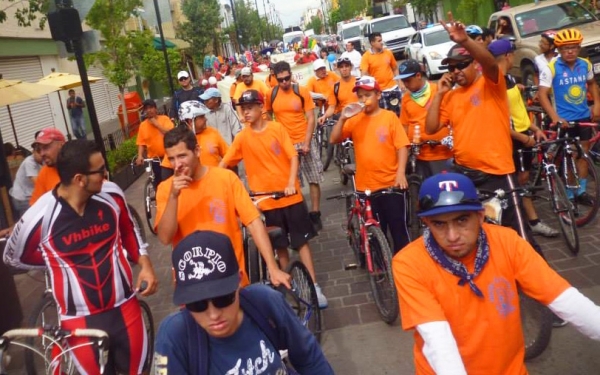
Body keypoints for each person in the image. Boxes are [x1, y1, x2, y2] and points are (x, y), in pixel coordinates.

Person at [392, 172, 600, 375]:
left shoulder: (508, 242)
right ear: (427, 223)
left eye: (462, 220)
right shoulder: (409, 263)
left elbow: (565, 299)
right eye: (439, 224)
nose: (453, 235)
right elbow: (437, 338)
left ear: (481, 215)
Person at [4, 139, 158, 375]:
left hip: (126, 308)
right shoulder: (39, 217)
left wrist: (145, 263)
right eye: (100, 171)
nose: (106, 175)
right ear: (79, 179)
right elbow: (13, 258)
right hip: (79, 322)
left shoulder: (111, 194)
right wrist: (56, 260)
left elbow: (127, 229)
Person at [425, 14, 541, 254]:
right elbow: (431, 127)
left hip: (496, 172)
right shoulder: (451, 96)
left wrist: (466, 40)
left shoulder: (490, 84)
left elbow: (489, 63)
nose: (456, 71)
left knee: (518, 237)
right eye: (452, 67)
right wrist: (438, 94)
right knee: (484, 236)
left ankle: (540, 285)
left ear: (474, 64)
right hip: (467, 175)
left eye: (461, 65)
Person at [154, 230, 333, 374]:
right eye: (197, 305)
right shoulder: (173, 336)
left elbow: (309, 358)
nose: (214, 314)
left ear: (239, 281)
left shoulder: (265, 301)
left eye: (223, 299)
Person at [220, 89, 328, 307]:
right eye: (243, 109)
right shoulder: (242, 138)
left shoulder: (277, 129)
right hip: (265, 202)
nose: (246, 112)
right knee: (279, 247)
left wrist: (290, 183)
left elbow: (293, 156)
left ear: (261, 108)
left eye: (250, 107)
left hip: (290, 197)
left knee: (301, 242)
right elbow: (224, 164)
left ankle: (314, 286)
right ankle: (289, 287)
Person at [155, 126, 290, 288]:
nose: (177, 165)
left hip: (231, 279)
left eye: (182, 156)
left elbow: (254, 222)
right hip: (192, 283)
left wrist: (273, 268)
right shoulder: (165, 189)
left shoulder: (226, 179)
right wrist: (173, 197)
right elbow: (165, 238)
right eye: (171, 159)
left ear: (197, 151)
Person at [330, 75, 411, 253]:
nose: (363, 100)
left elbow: (402, 146)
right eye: (360, 96)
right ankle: (381, 267)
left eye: (368, 95)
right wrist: (342, 118)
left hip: (391, 184)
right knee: (375, 234)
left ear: (378, 95)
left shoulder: (389, 117)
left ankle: (403, 269)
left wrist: (401, 173)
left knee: (399, 232)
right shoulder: (354, 120)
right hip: (366, 186)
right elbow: (334, 138)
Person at [489, 39, 558, 238]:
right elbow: (497, 119)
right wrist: (520, 136)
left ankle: (527, 218)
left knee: (523, 178)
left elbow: (519, 110)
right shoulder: (495, 84)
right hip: (511, 138)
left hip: (523, 134)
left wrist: (534, 128)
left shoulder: (510, 79)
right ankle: (528, 220)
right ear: (508, 56)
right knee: (518, 180)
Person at [538, 28, 600, 203]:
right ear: (558, 49)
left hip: (583, 116)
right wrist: (555, 117)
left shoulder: (585, 64)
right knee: (570, 155)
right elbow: (542, 95)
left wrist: (597, 104)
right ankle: (569, 192)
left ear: (579, 48)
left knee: (584, 154)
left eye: (573, 47)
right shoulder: (551, 68)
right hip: (563, 120)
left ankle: (581, 190)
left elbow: (592, 84)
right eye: (565, 48)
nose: (570, 51)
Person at [266, 61, 324, 231]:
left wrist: (307, 142)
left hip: (304, 139)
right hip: (286, 145)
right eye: (281, 79)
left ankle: (315, 213)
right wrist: (276, 132)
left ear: (291, 75)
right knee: (294, 181)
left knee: (313, 178)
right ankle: (302, 215)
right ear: (275, 78)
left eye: (287, 78)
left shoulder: (301, 91)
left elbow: (311, 117)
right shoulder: (272, 94)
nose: (284, 82)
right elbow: (267, 113)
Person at [397, 59, 452, 178]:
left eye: (408, 80)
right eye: (403, 81)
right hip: (420, 156)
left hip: (443, 154)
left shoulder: (439, 90)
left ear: (418, 75)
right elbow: (404, 126)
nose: (405, 84)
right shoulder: (406, 99)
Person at [360, 32, 404, 111]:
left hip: (394, 88)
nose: (381, 43)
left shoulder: (388, 53)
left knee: (401, 112)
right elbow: (363, 73)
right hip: (380, 92)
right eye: (379, 41)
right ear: (372, 43)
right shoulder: (366, 56)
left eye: (381, 40)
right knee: (385, 115)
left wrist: (400, 82)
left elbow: (395, 68)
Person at [136, 99, 174, 189]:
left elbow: (170, 133)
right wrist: (140, 155)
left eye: (151, 108)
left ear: (155, 109)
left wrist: (156, 124)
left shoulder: (164, 119)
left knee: (171, 180)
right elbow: (141, 143)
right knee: (158, 182)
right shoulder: (143, 125)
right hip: (155, 159)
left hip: (168, 156)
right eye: (146, 109)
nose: (149, 110)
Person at [29, 127, 66, 205]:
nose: (42, 154)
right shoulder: (44, 172)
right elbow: (35, 206)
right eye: (39, 150)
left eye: (46, 147)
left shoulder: (78, 164)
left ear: (61, 145)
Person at [9, 143, 42, 219]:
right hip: (22, 199)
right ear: (33, 152)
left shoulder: (42, 161)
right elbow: (37, 183)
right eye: (38, 152)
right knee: (29, 220)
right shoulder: (29, 162)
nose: (42, 154)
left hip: (29, 195)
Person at [321, 56, 358, 122]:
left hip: (360, 117)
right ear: (338, 69)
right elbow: (332, 107)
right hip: (345, 120)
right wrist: (325, 116)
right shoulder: (335, 87)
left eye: (346, 66)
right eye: (341, 67)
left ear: (351, 67)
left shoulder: (359, 82)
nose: (344, 69)